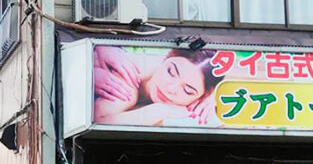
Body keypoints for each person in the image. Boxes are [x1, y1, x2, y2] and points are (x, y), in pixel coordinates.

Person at [93, 45, 223, 126]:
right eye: (171, 72)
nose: (170, 89)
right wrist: (159, 111)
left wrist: (212, 96)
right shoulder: (128, 80)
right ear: (166, 57)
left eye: (187, 90)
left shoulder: (200, 95)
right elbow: (97, 121)